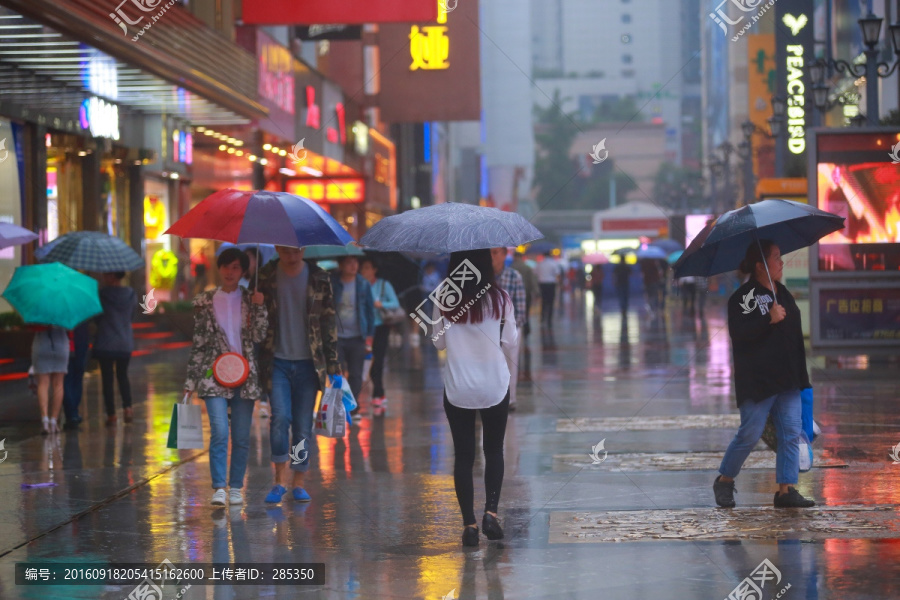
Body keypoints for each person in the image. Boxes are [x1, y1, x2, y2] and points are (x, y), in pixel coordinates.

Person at [714, 240, 815, 509]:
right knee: (750, 433)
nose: (781, 262)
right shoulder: (742, 298)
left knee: (791, 433)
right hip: (758, 380)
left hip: (788, 379)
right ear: (760, 266)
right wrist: (767, 318)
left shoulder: (783, 293)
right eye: (776, 257)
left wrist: (801, 380)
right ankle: (724, 480)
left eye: (781, 257)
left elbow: (794, 340)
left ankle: (785, 490)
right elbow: (740, 334)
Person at [432, 249, 518, 547]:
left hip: (458, 388)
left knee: (464, 456)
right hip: (494, 385)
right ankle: (490, 513)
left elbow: (439, 342)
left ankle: (469, 525)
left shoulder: (443, 296)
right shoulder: (500, 297)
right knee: (494, 451)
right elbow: (511, 341)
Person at [258, 246, 342, 504]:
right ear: (277, 249)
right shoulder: (265, 277)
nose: (291, 255)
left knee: (303, 428)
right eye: (285, 250)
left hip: (309, 363)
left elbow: (329, 321)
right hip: (277, 360)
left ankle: (298, 481)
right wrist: (256, 307)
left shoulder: (319, 277)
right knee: (280, 417)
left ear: (303, 249)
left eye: (295, 250)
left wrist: (333, 366)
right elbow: (255, 323)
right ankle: (279, 479)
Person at [183, 248, 267, 506]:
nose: (230, 272)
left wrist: (260, 309)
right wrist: (189, 383)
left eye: (235, 268)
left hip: (245, 375)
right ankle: (219, 486)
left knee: (241, 436)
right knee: (219, 431)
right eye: (226, 267)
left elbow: (259, 337)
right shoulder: (204, 301)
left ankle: (235, 487)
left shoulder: (251, 299)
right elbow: (199, 344)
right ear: (218, 268)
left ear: (243, 271)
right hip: (212, 374)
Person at [330, 256, 375, 417]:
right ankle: (341, 405)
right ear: (341, 265)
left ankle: (353, 407)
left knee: (356, 373)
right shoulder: (333, 283)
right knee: (338, 372)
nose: (353, 266)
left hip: (358, 336)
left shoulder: (363, 284)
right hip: (337, 337)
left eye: (355, 262)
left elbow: (370, 310)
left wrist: (370, 335)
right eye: (349, 262)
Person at [94, 272, 136, 426]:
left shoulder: (102, 294)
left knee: (107, 378)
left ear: (111, 276)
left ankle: (111, 414)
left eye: (107, 275)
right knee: (122, 375)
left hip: (106, 342)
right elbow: (131, 315)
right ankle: (128, 407)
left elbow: (97, 317)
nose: (104, 277)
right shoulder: (131, 294)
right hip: (125, 341)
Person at [360, 256, 399, 417]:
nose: (365, 271)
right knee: (367, 362)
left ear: (374, 269)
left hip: (381, 327)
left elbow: (395, 303)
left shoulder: (384, 285)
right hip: (364, 328)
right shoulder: (359, 285)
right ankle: (378, 393)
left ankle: (378, 393)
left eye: (368, 267)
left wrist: (381, 304)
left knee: (378, 360)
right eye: (363, 268)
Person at [491, 247, 525, 411]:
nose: (492, 257)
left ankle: (510, 398)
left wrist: (513, 328)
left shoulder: (514, 276)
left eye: (496, 252)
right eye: (489, 253)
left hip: (509, 327)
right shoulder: (482, 277)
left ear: (505, 255)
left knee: (510, 364)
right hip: (488, 329)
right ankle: (492, 397)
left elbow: (520, 306)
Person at [30, 325, 69, 434]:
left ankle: (45, 420)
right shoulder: (64, 309)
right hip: (61, 344)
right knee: (58, 384)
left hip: (41, 344)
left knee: (43, 383)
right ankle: (53, 421)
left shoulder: (38, 309)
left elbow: (31, 326)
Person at [62, 322, 89, 430]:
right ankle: (74, 412)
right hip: (80, 341)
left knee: (67, 379)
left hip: (66, 343)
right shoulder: (81, 310)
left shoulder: (60, 309)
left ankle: (71, 413)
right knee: (77, 378)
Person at [511, 251, 539, 339]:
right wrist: (536, 292)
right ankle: (526, 329)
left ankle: (515, 330)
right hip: (526, 292)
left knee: (514, 312)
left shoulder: (511, 268)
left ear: (514, 257)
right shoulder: (527, 267)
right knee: (526, 311)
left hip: (513, 294)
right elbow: (532, 281)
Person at [536, 252, 560, 327]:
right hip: (551, 284)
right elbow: (557, 274)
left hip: (542, 284)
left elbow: (535, 273)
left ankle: (543, 317)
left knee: (543, 301)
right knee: (551, 302)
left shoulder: (540, 264)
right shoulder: (553, 263)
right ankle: (549, 319)